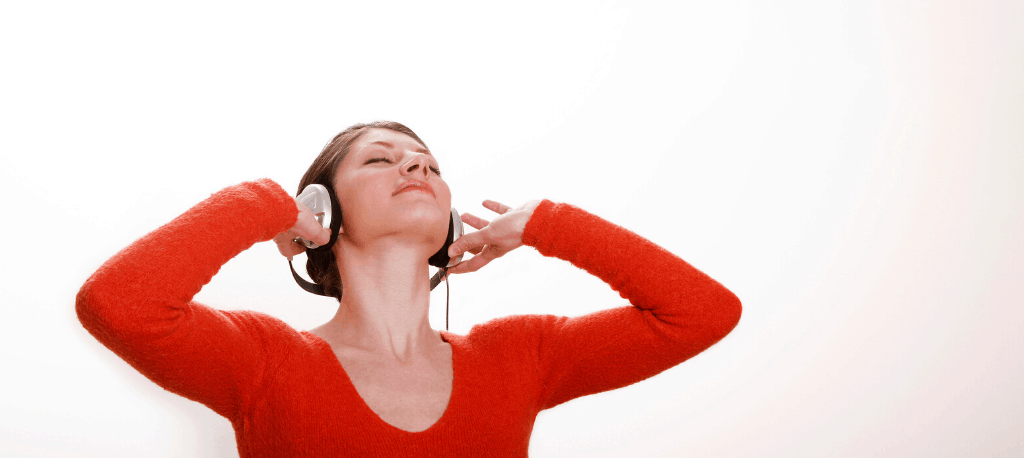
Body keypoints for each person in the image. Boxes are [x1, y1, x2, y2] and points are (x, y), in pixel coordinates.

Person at [76, 120, 743, 457]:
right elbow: (118, 305)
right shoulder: (263, 361)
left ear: (451, 223)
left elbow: (702, 313)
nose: (416, 163)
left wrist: (547, 224)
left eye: (426, 160)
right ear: (322, 212)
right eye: (380, 158)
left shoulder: (520, 356)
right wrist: (258, 206)